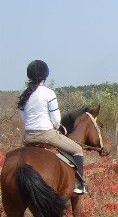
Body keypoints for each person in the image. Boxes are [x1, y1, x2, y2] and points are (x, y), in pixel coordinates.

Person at [17, 60, 87, 194]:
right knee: (78, 150)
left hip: (28, 137)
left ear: (29, 75)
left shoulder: (24, 95)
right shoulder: (49, 93)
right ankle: (79, 185)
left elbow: (24, 120)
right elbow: (56, 119)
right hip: (47, 134)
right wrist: (56, 127)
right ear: (45, 75)